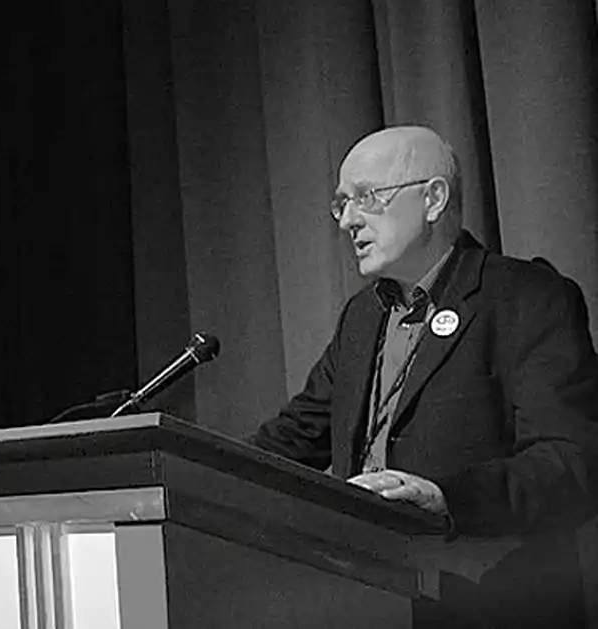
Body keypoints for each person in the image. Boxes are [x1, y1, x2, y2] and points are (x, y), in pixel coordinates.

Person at [247, 125, 598, 628]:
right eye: (341, 203)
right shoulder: (362, 318)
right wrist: (187, 465)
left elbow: (573, 463)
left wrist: (446, 498)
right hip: (368, 599)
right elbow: (296, 434)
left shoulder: (525, 298)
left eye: (366, 197)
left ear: (433, 198)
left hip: (493, 603)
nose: (347, 219)